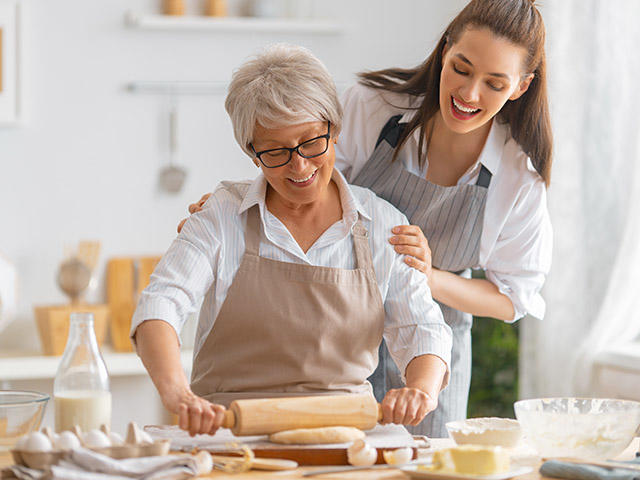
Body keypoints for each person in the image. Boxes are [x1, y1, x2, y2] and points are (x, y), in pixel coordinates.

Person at [179, 0, 553, 438]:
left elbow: (512, 297)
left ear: (520, 87)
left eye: (494, 83)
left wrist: (422, 275)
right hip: (337, 335)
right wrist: (235, 204)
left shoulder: (517, 175)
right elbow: (305, 170)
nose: (469, 94)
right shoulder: (377, 107)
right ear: (445, 48)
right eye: (462, 68)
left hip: (432, 347)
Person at [132, 44, 453, 437]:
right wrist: (177, 393)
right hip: (231, 434)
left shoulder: (384, 225)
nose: (299, 166)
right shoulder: (220, 216)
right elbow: (160, 304)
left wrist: (421, 388)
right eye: (276, 152)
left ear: (335, 130)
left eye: (310, 142)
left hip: (346, 434)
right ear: (252, 154)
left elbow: (422, 328)